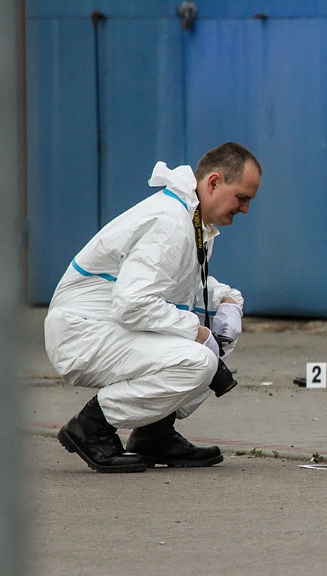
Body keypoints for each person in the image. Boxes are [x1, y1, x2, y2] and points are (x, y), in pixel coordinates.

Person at [45, 142, 262, 473]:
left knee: (218, 335)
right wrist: (197, 331)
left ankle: (153, 433)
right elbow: (132, 304)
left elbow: (183, 283)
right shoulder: (170, 224)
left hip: (105, 327)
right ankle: (92, 425)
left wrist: (229, 301)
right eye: (242, 198)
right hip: (83, 333)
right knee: (200, 356)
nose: (245, 209)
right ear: (214, 183)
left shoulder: (188, 217)